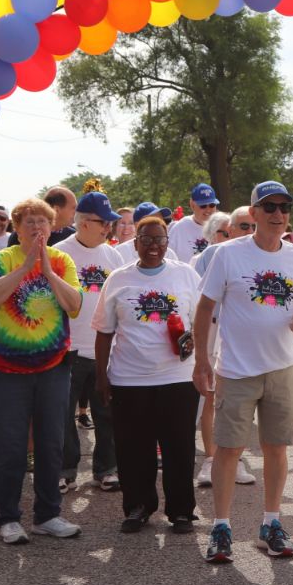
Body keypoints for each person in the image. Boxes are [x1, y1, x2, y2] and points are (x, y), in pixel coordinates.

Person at [192, 181, 293, 563]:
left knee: (276, 449)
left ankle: (271, 523)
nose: (277, 214)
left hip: (284, 366)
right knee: (228, 450)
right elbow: (203, 309)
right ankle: (221, 527)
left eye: (284, 206)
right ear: (254, 212)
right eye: (269, 207)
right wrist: (201, 360)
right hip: (236, 369)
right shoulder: (228, 255)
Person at [0, 197, 84, 545]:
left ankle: (48, 515)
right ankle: (8, 517)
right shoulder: (2, 259)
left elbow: (74, 307)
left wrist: (48, 270)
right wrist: (25, 268)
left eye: (43, 222)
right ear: (16, 228)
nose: (37, 228)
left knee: (51, 442)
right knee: (9, 446)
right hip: (5, 370)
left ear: (53, 228)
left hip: (52, 367)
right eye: (29, 222)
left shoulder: (63, 260)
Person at [94, 216, 204, 533]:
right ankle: (138, 507)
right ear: (135, 242)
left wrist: (197, 353)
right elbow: (103, 333)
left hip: (177, 378)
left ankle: (181, 511)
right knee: (132, 448)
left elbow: (201, 322)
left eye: (160, 239)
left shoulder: (185, 275)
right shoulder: (117, 278)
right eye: (147, 239)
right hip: (130, 379)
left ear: (168, 242)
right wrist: (102, 377)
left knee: (179, 447)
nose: (153, 246)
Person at [53, 192, 125, 494]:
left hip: (103, 349)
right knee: (62, 414)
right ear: (83, 223)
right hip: (66, 348)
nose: (108, 228)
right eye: (102, 222)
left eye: (110, 223)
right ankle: (65, 470)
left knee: (106, 412)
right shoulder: (57, 254)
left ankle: (106, 469)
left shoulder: (114, 256)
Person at [193, 206, 258, 487]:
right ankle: (210, 458)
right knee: (211, 394)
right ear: (229, 230)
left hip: (244, 334)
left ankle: (237, 457)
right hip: (214, 328)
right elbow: (198, 301)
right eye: (243, 226)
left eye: (253, 226)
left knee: (241, 397)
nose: (250, 232)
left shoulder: (263, 254)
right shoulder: (210, 255)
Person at [7, 186, 77, 247]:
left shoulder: (73, 236)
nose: (76, 212)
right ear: (56, 210)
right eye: (73, 208)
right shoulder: (22, 235)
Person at [116, 202, 181, 265]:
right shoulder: (120, 252)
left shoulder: (170, 254)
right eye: (152, 221)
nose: (158, 224)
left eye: (160, 220)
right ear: (136, 225)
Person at [169, 182, 220, 259]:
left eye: (212, 205)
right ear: (192, 205)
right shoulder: (179, 229)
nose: (208, 209)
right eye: (203, 206)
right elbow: (168, 258)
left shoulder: (222, 226)